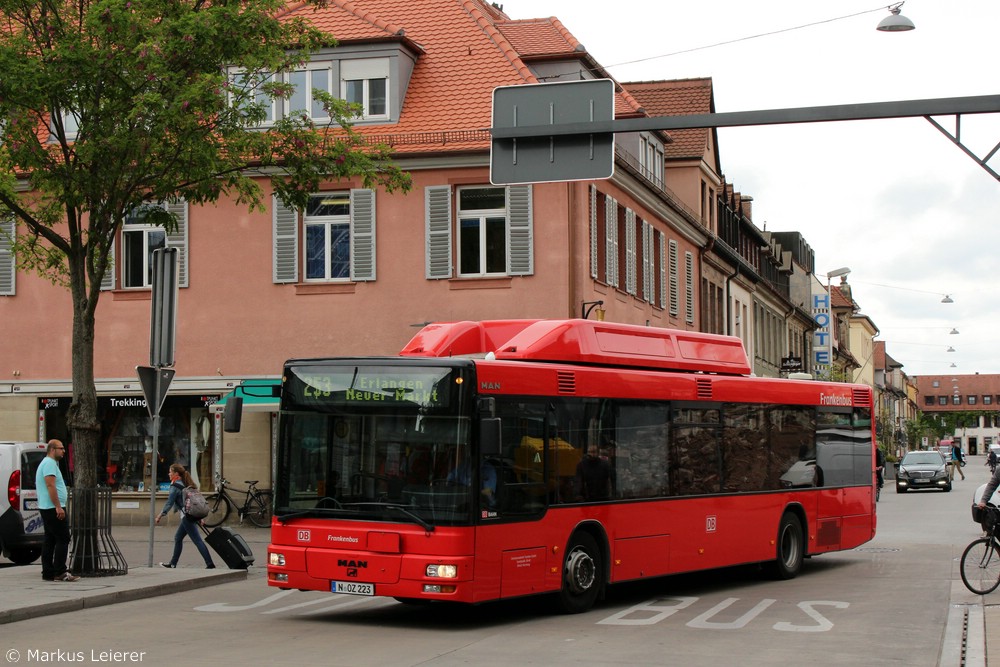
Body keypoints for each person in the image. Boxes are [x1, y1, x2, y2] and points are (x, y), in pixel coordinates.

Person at [155, 463, 216, 569]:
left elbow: (169, 503)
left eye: (170, 472)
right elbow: (195, 501)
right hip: (190, 515)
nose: (169, 473)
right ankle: (173, 563)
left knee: (197, 540)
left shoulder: (175, 486)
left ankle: (210, 564)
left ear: (176, 473)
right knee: (178, 538)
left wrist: (160, 515)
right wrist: (200, 517)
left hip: (187, 517)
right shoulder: (186, 483)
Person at [35, 439, 79, 582]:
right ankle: (60, 571)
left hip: (48, 507)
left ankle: (48, 572)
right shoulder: (49, 463)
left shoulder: (50, 463)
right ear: (52, 449)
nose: (64, 451)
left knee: (50, 539)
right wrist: (58, 506)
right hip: (52, 507)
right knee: (63, 538)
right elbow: (50, 485)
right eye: (61, 448)